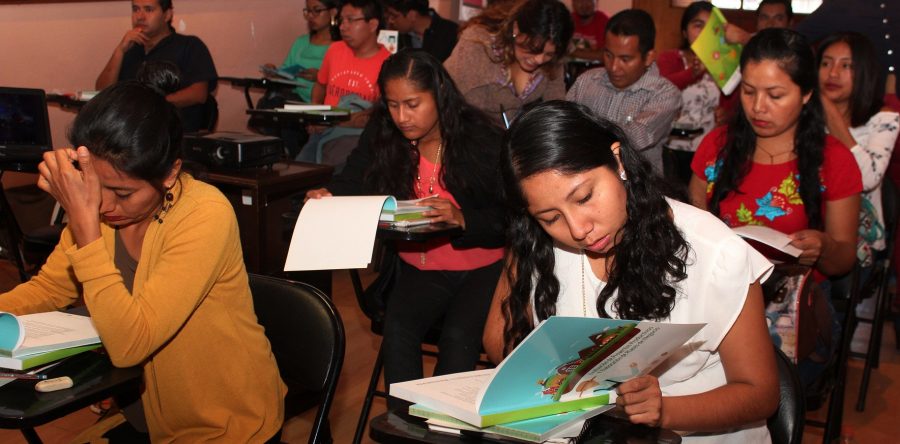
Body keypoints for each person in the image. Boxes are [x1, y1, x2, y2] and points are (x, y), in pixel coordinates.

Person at [0, 82, 285, 442]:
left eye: (123, 193)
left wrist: (86, 231)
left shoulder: (204, 213)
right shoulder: (98, 211)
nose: (104, 205)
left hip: (223, 424)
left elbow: (131, 344)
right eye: (93, 187)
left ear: (169, 173)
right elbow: (49, 289)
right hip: (143, 413)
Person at [484, 100, 778, 442]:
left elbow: (760, 394)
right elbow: (498, 340)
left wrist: (664, 411)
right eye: (551, 218)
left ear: (618, 160)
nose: (578, 229)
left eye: (584, 197)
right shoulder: (538, 243)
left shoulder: (714, 252)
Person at [306, 50, 506, 408]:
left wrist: (463, 219)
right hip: (420, 266)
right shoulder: (385, 133)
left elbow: (513, 216)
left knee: (458, 340)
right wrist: (330, 194)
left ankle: (444, 426)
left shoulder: (480, 139)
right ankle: (403, 424)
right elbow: (354, 177)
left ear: (439, 96)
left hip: (482, 268)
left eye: (412, 104)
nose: (401, 117)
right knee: (398, 330)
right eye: (393, 105)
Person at [689, 28, 862, 387]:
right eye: (749, 91)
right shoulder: (717, 146)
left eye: (775, 95)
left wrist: (824, 247)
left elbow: (844, 259)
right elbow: (690, 233)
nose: (758, 107)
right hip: (719, 295)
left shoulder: (834, 160)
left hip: (792, 308)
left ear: (807, 94)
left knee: (757, 382)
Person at [818, 32, 900, 267]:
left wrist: (832, 115)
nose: (833, 73)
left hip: (858, 236)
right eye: (826, 63)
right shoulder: (803, 114)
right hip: (810, 223)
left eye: (846, 66)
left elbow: (867, 178)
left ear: (864, 72)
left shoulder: (884, 118)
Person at [567, 9, 681, 174]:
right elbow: (564, 125)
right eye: (608, 55)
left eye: (625, 59)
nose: (614, 67)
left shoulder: (665, 94)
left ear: (649, 57)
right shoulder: (586, 81)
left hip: (638, 185)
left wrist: (582, 130)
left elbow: (632, 138)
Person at [443, 0, 573, 127]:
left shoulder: (553, 61)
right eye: (533, 48)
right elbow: (446, 98)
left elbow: (556, 107)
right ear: (516, 29)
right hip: (461, 128)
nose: (539, 59)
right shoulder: (477, 45)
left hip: (506, 133)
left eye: (549, 54)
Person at [95, 0, 217, 133]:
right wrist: (120, 51)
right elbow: (102, 91)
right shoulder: (130, 49)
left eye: (148, 9)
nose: (140, 16)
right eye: (135, 9)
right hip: (130, 132)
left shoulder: (189, 45)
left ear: (167, 15)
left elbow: (198, 94)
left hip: (173, 132)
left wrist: (149, 104)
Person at [302, 0, 391, 168]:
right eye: (341, 20)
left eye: (351, 20)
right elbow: (320, 85)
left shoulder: (388, 63)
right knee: (298, 170)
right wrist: (314, 114)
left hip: (355, 137)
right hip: (322, 131)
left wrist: (332, 123)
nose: (342, 27)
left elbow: (376, 116)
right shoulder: (335, 50)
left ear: (372, 24)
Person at [657, 1, 730, 185]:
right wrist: (693, 73)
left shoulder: (726, 62)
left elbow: (734, 103)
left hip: (708, 149)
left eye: (710, 27)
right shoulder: (670, 58)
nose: (704, 33)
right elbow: (661, 89)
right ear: (684, 31)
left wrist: (727, 114)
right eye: (698, 25)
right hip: (670, 147)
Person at [263, 0, 339, 103]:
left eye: (317, 10)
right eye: (308, 11)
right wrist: (274, 72)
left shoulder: (341, 46)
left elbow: (345, 81)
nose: (310, 16)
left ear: (333, 12)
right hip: (296, 99)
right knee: (271, 98)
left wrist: (320, 77)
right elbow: (287, 73)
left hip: (325, 104)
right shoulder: (301, 42)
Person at [384, 0, 458, 62]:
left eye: (394, 16)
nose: (390, 20)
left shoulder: (451, 33)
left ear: (412, 15)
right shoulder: (401, 35)